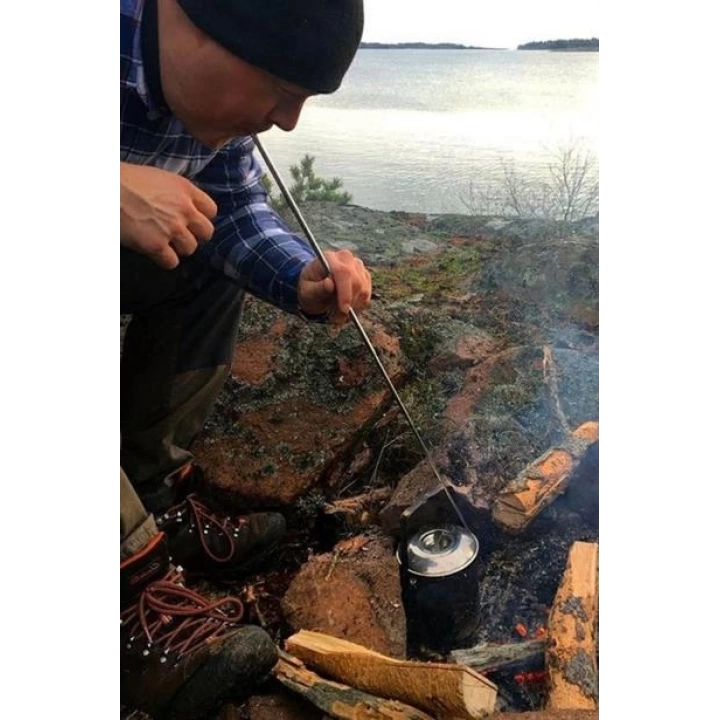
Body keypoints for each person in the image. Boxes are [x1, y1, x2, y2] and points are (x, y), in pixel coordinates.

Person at [120, 1, 369, 717]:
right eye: (281, 87)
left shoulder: (210, 110)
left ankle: (151, 499)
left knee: (199, 250)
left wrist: (300, 277)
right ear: (184, 18)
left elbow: (230, 204)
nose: (289, 121)